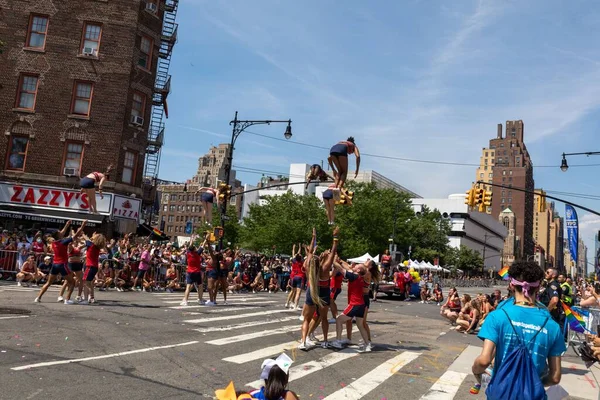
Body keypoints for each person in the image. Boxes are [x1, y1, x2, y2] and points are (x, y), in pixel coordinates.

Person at [472, 261, 565, 395]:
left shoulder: (498, 316)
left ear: (511, 284)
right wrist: (535, 384)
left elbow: (484, 360)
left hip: (501, 393)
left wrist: (476, 371)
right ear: (538, 287)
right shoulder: (552, 326)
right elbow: (555, 377)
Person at [298, 227, 336, 350]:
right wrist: (335, 238)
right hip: (323, 293)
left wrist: (314, 237)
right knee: (324, 318)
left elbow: (309, 253)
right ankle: (325, 341)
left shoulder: (309, 266)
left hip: (311, 292)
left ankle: (303, 341)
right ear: (319, 260)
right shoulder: (325, 270)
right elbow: (333, 252)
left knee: (306, 319)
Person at [34, 220, 87, 304]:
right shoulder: (63, 242)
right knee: (72, 282)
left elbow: (61, 233)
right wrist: (83, 225)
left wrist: (67, 225)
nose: (61, 232)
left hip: (55, 264)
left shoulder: (54, 242)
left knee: (48, 283)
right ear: (58, 235)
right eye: (59, 232)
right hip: (62, 264)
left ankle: (38, 297)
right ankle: (67, 299)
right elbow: (76, 235)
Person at [81, 232, 107, 305]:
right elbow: (89, 240)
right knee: (89, 282)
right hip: (94, 267)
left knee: (86, 283)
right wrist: (93, 236)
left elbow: (86, 238)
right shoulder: (96, 247)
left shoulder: (91, 245)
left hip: (89, 266)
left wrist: (82, 233)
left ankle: (86, 299)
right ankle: (90, 297)